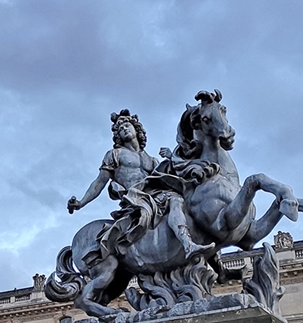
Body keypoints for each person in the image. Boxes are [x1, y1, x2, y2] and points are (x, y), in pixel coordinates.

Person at [67, 109, 213, 263]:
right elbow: (99, 182)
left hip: (154, 196)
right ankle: (188, 245)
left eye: (127, 126)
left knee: (192, 204)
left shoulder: (152, 160)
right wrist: (81, 202)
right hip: (135, 199)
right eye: (120, 129)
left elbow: (170, 177)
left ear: (137, 130)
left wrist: (172, 157)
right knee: (175, 199)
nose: (124, 129)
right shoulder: (115, 154)